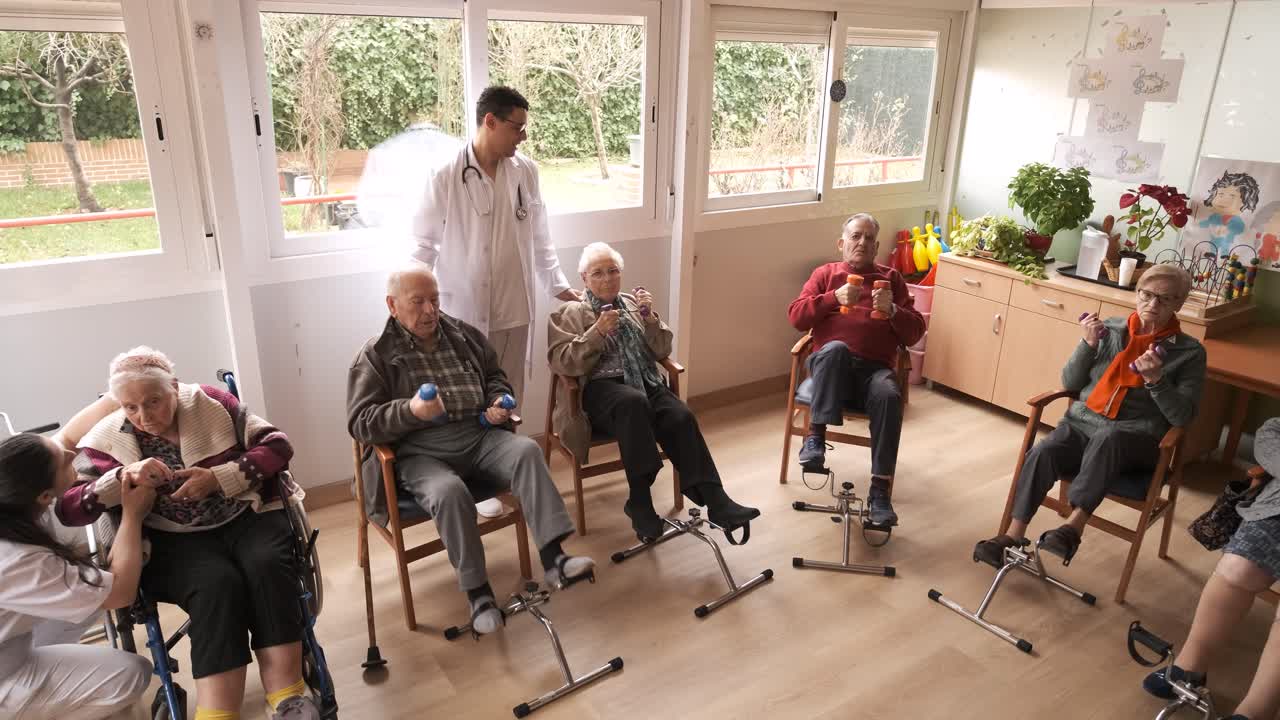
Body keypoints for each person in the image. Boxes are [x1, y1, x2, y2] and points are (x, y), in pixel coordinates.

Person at [57, 347, 321, 720]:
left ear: (174, 388)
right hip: (172, 538)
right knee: (216, 585)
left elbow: (278, 446)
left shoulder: (212, 404)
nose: (144, 416)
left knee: (267, 567)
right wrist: (121, 479)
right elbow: (70, 508)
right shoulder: (107, 438)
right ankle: (218, 712)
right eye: (131, 407)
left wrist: (219, 477)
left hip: (248, 516)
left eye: (154, 401)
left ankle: (287, 694)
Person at [347, 266, 594, 636]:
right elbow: (361, 421)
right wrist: (409, 410)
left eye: (434, 299)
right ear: (392, 306)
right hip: (420, 452)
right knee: (449, 491)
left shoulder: (462, 335)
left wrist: (498, 399)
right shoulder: (375, 355)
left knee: (527, 451)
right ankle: (478, 593)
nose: (430, 310)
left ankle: (554, 558)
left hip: (478, 435)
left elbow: (495, 375)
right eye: (418, 302)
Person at [975, 263, 1205, 565]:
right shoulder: (1110, 329)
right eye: (1146, 295)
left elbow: (1182, 417)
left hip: (1137, 440)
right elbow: (1070, 383)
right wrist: (1087, 344)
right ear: (1136, 294)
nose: (1152, 304)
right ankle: (1013, 535)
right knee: (1046, 449)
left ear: (1179, 304)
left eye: (1164, 299)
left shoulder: (1189, 352)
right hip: (1083, 426)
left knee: (1109, 437)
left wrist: (1157, 381)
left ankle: (1072, 528)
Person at [547, 243, 760, 543]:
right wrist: (597, 332)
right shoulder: (568, 313)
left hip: (644, 381)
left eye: (613, 271)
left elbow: (661, 350)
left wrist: (649, 319)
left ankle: (717, 500)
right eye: (598, 273)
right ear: (583, 278)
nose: (607, 279)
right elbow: (563, 361)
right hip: (598, 391)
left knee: (680, 415)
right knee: (633, 403)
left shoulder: (633, 306)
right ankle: (641, 499)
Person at [408, 85, 582, 403]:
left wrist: (558, 285)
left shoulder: (525, 171)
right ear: (490, 121)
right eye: (517, 128)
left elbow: (540, 236)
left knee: (509, 396)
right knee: (466, 397)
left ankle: (509, 452)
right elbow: (424, 245)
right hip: (464, 309)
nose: (523, 136)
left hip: (514, 307)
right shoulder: (446, 175)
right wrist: (413, 300)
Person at [0, 432, 154, 720]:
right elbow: (120, 594)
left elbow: (69, 436)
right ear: (45, 496)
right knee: (132, 673)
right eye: (63, 460)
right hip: (4, 679)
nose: (72, 454)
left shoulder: (13, 494)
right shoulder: (18, 559)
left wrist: (115, 397)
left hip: (9, 633)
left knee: (84, 606)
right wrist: (133, 515)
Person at [786, 213, 926, 527]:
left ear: (876, 247)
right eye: (855, 236)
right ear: (842, 243)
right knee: (835, 349)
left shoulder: (891, 279)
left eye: (869, 238)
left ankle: (880, 492)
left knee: (889, 392)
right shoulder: (826, 274)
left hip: (875, 372)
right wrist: (831, 299)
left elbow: (915, 332)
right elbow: (796, 317)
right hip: (831, 372)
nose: (862, 243)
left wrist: (892, 310)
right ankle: (816, 439)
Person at [1141, 418, 1280, 720]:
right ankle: (1191, 667)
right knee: (1237, 568)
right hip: (1276, 509)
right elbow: (1270, 432)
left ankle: (1257, 710)